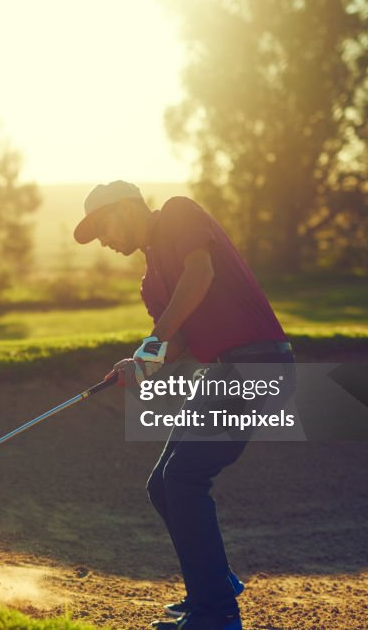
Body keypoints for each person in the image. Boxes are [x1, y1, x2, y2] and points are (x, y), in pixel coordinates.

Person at [73, 181, 295, 630]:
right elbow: (179, 341)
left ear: (128, 207)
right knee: (162, 484)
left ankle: (216, 614)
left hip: (259, 365)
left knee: (185, 477)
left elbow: (201, 275)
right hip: (223, 371)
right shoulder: (150, 281)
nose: (104, 241)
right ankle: (211, 583)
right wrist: (138, 364)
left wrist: (149, 347)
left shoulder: (177, 213)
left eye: (103, 227)